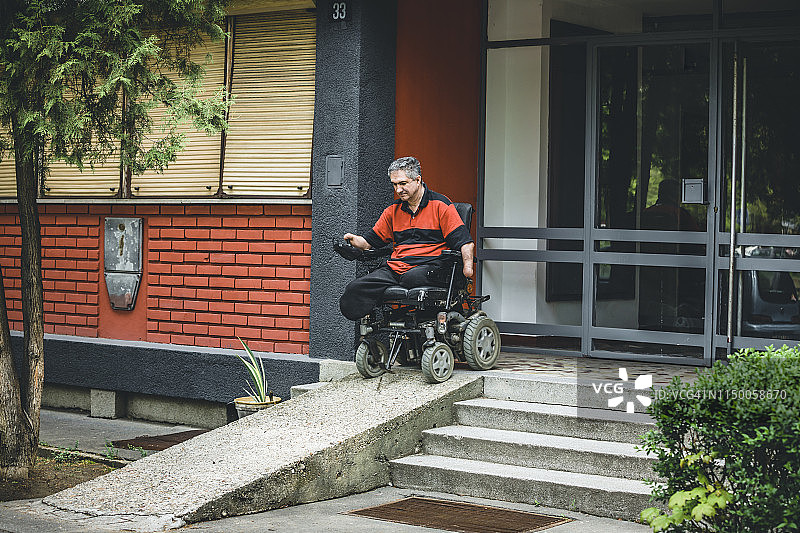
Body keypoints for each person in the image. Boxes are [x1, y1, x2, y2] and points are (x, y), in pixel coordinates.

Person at [339, 156, 475, 320]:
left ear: (418, 180)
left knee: (411, 277)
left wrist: (467, 268)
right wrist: (355, 241)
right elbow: (370, 242)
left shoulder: (441, 205)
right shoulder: (393, 211)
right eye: (395, 184)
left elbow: (465, 242)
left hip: (430, 266)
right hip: (398, 268)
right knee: (355, 289)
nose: (398, 189)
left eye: (403, 183)